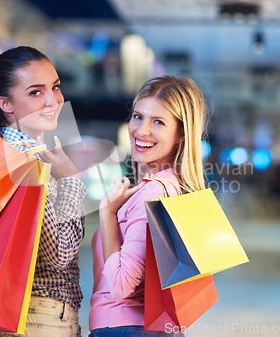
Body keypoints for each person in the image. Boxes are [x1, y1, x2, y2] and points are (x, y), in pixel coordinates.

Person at [0, 46, 87, 337]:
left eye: (55, 87)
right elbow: (58, 255)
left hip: (2, 313)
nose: (52, 100)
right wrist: (71, 181)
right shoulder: (23, 160)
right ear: (5, 104)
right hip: (35, 316)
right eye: (36, 92)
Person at [89, 75, 208, 336]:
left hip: (125, 328)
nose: (141, 130)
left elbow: (121, 286)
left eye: (158, 122)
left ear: (180, 135)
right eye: (138, 116)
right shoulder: (173, 189)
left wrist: (108, 214)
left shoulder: (152, 192)